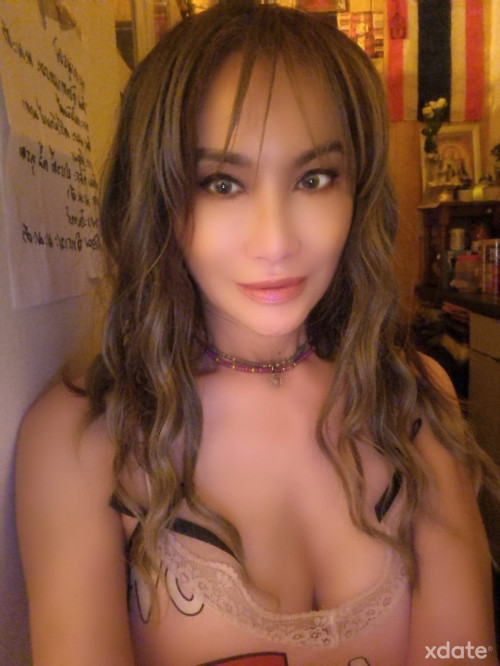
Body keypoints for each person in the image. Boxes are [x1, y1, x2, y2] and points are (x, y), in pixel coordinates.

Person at [15, 3, 499, 665]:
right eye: (221, 183)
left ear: (356, 192)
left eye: (313, 178)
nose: (275, 242)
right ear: (157, 196)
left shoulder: (413, 398)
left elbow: (461, 654)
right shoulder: (85, 437)